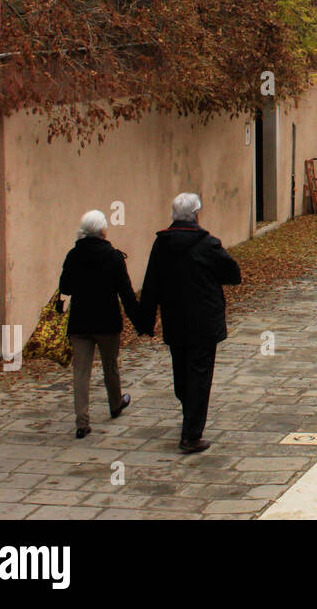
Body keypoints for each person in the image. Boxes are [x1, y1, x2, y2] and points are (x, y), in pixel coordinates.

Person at [138, 193, 241, 454]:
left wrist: (146, 320)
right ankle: (191, 434)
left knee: (182, 371)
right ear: (196, 214)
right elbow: (232, 272)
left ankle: (190, 417)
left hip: (175, 319)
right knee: (199, 374)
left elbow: (151, 284)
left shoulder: (161, 245)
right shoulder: (207, 244)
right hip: (204, 320)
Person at [58, 210, 140, 439]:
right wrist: (139, 320)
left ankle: (82, 421)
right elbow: (126, 292)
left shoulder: (73, 255)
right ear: (103, 229)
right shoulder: (113, 256)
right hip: (107, 320)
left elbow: (65, 287)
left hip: (81, 322)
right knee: (110, 367)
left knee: (81, 372)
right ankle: (115, 404)